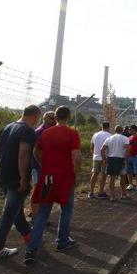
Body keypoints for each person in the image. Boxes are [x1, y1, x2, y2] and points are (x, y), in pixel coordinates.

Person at [25, 106, 81, 264]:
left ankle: (31, 249)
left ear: (55, 117)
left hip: (47, 177)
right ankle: (62, 241)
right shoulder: (72, 133)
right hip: (65, 177)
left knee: (43, 211)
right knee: (66, 208)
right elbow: (76, 156)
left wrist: (44, 165)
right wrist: (75, 174)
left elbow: (36, 152)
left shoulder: (45, 133)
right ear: (68, 117)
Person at [0, 105, 41, 262]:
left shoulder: (7, 127)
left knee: (15, 208)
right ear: (35, 116)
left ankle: (27, 234)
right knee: (9, 213)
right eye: (38, 118)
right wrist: (23, 178)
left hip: (3, 176)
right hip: (16, 179)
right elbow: (24, 153)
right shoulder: (28, 131)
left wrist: (5, 163)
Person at [29, 111, 56, 225]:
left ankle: (39, 214)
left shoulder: (51, 131)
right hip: (38, 167)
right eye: (51, 118)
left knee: (46, 190)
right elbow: (35, 152)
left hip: (48, 167)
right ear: (45, 119)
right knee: (37, 190)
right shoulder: (40, 132)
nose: (54, 120)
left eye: (55, 118)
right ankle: (35, 217)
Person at [101, 126, 130, 201]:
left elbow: (102, 149)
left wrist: (104, 159)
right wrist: (125, 159)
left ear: (115, 130)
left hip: (111, 159)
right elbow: (127, 150)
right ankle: (123, 194)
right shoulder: (125, 138)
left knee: (112, 178)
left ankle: (112, 196)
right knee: (123, 178)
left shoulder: (109, 138)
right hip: (121, 159)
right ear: (122, 130)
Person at [88, 122, 111, 199]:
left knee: (94, 174)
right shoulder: (110, 136)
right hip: (105, 157)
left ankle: (91, 192)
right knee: (103, 175)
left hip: (96, 157)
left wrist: (93, 154)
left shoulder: (95, 134)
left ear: (102, 126)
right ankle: (101, 191)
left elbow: (92, 146)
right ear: (108, 127)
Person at [125, 125, 137, 193]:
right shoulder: (129, 138)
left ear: (134, 130)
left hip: (136, 157)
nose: (129, 130)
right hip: (129, 157)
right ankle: (130, 184)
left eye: (130, 129)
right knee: (129, 171)